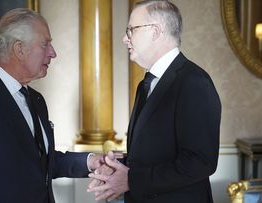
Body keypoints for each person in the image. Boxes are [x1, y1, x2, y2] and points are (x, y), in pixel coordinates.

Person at [0, 8, 105, 203]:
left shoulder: (37, 100)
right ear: (19, 49)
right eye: (46, 44)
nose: (53, 53)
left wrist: (91, 161)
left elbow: (40, 162)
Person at [88, 1, 221, 202]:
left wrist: (131, 179)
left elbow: (200, 162)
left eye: (131, 30)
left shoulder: (194, 82)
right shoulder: (146, 84)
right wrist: (118, 167)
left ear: (155, 32)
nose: (125, 39)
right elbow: (156, 152)